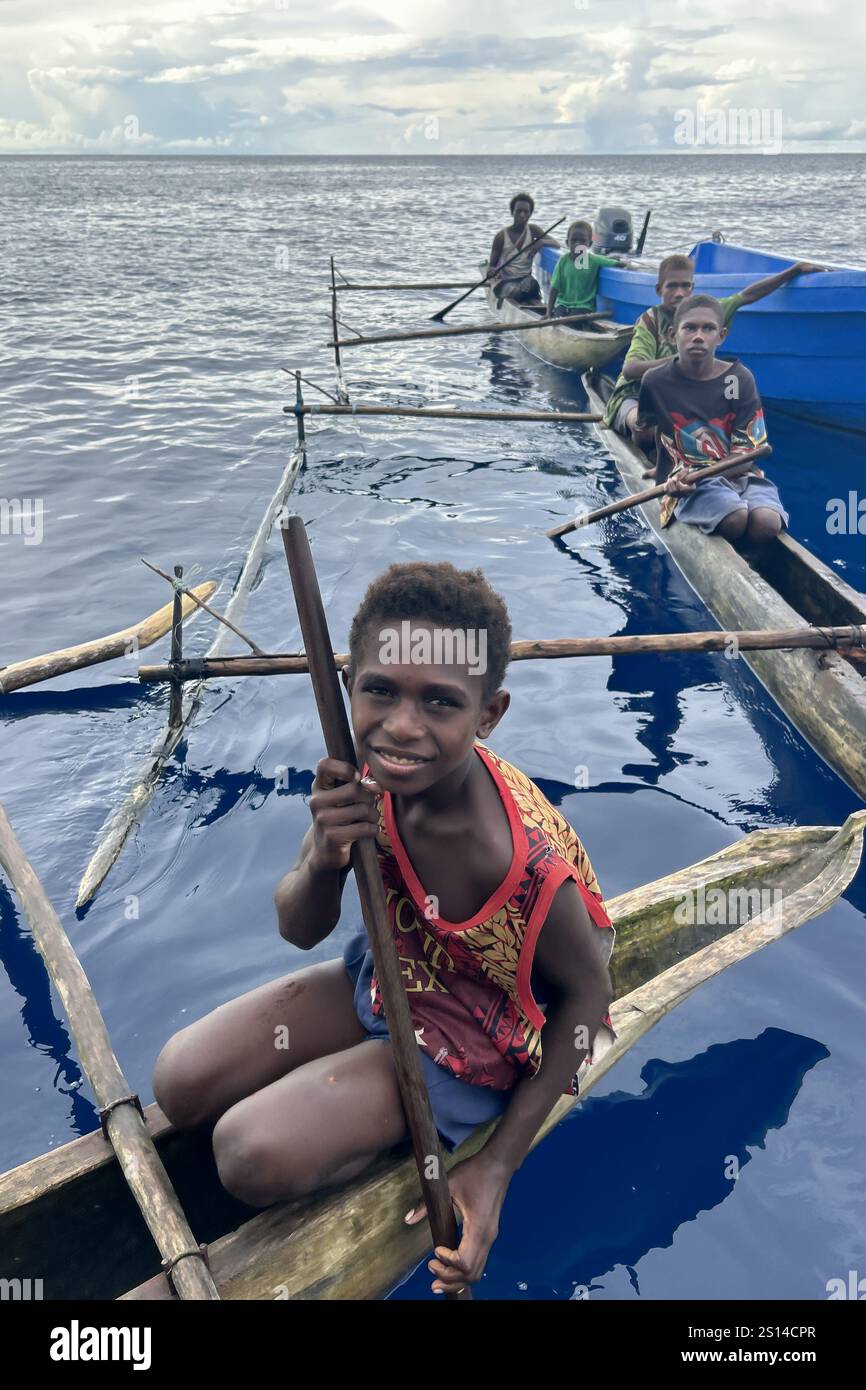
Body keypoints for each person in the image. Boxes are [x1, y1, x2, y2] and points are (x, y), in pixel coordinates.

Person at [153, 562, 614, 1296]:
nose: (401, 726)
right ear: (349, 685)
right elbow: (298, 927)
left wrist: (495, 1170)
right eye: (380, 691)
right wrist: (326, 859)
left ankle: (377, 1148)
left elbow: (590, 1004)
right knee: (179, 1081)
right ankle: (342, 1110)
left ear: (488, 714)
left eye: (440, 702)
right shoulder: (365, 776)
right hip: (393, 973)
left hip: (474, 1033)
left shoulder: (516, 860)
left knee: (247, 1153)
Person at [604, 253, 825, 448]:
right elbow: (631, 369)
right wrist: (680, 360)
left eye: (685, 286)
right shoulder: (650, 321)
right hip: (635, 395)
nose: (679, 293)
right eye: (672, 286)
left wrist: (793, 271)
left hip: (680, 397)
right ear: (659, 289)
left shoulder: (707, 312)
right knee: (645, 430)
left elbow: (747, 296)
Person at [636, 293, 787, 545]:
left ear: (722, 335)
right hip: (687, 482)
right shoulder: (655, 381)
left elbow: (748, 450)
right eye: (690, 328)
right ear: (674, 335)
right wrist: (663, 473)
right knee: (735, 518)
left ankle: (750, 557)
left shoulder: (737, 380)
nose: (698, 336)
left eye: (708, 329)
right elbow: (651, 433)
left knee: (767, 523)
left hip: (739, 474)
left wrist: (703, 472)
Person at [488, 193, 559, 306]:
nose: (522, 215)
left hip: (525, 281)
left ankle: (539, 308)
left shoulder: (533, 230)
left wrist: (541, 242)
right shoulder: (501, 236)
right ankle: (523, 300)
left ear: (530, 214)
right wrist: (492, 271)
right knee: (514, 290)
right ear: (512, 213)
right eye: (519, 211)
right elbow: (491, 267)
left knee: (531, 284)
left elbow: (556, 244)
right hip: (506, 282)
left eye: (526, 212)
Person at [547, 220, 622, 319]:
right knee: (557, 319)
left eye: (582, 241)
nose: (578, 244)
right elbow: (554, 288)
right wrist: (548, 312)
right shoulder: (563, 261)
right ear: (567, 243)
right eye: (574, 241)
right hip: (563, 304)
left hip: (584, 306)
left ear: (589, 244)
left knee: (572, 322)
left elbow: (615, 263)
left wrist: (626, 264)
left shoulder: (594, 260)